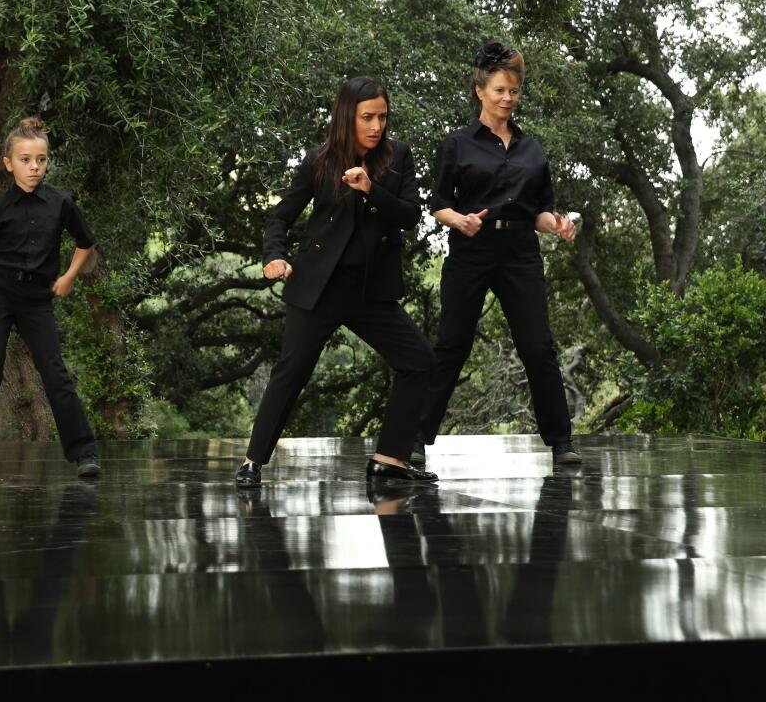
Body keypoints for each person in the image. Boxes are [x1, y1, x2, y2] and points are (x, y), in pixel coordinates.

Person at [236, 77, 438, 488]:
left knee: (418, 361)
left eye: (382, 116)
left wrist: (371, 190)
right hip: (319, 287)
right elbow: (279, 217)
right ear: (347, 116)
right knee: (290, 373)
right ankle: (253, 461)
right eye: (367, 117)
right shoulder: (319, 160)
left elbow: (411, 215)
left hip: (370, 290)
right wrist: (274, 256)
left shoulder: (399, 156)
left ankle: (390, 459)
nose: (376, 125)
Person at [413, 41, 580, 466]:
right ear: (480, 90)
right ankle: (414, 439)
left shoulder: (532, 149)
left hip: (520, 251)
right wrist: (459, 220)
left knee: (538, 346)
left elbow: (539, 210)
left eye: (515, 91)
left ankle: (562, 443)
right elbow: (436, 201)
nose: (509, 99)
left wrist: (557, 225)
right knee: (452, 344)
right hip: (472, 249)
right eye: (501, 90)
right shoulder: (457, 144)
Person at [0, 117, 100, 480]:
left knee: (55, 375)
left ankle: (84, 452)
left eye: (41, 159)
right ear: (9, 163)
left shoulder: (61, 203)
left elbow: (85, 243)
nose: (34, 167)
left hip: (37, 300)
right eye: (25, 160)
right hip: (0, 296)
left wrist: (68, 277)